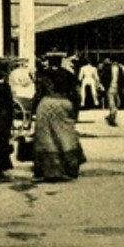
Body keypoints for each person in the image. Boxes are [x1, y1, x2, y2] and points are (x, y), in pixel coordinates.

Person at [32, 52, 86, 181]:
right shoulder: (68, 74)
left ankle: (49, 170)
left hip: (46, 104)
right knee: (66, 135)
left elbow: (38, 93)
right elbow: (76, 94)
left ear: (49, 61)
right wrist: (75, 112)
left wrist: (34, 109)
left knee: (46, 137)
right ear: (60, 61)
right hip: (64, 103)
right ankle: (70, 168)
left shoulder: (42, 74)